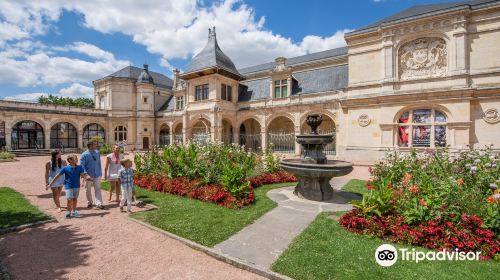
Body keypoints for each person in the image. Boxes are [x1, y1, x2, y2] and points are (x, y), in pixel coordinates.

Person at [81, 141, 104, 209]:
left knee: (98, 189)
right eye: (95, 144)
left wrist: (100, 172)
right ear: (90, 146)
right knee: (88, 190)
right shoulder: (84, 155)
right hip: (88, 175)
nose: (96, 145)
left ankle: (99, 203)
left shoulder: (97, 152)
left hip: (97, 174)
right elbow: (82, 166)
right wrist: (86, 175)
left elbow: (99, 163)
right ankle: (90, 202)